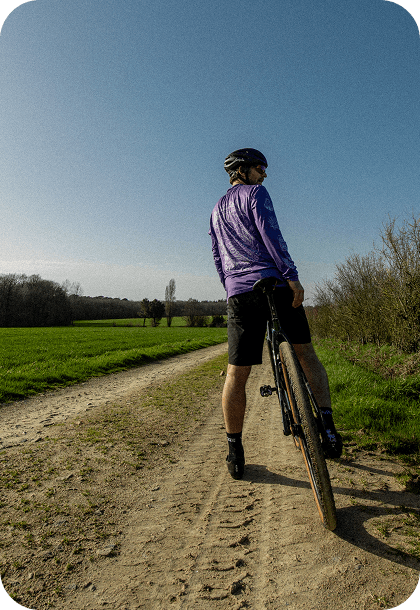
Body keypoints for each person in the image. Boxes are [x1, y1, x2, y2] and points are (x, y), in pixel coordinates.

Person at [209, 148, 342, 480]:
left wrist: (231, 286)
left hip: (239, 294)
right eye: (259, 168)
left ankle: (234, 451)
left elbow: (217, 257)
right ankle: (327, 427)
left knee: (235, 375)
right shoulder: (256, 194)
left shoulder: (214, 211)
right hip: (274, 284)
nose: (264, 174)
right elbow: (271, 234)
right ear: (242, 170)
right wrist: (291, 275)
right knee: (306, 354)